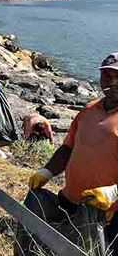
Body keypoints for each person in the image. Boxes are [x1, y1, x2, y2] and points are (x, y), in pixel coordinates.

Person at [17, 52, 118, 255]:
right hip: (71, 200)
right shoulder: (89, 110)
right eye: (107, 76)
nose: (113, 82)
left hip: (109, 212)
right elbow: (68, 148)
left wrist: (113, 192)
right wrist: (46, 171)